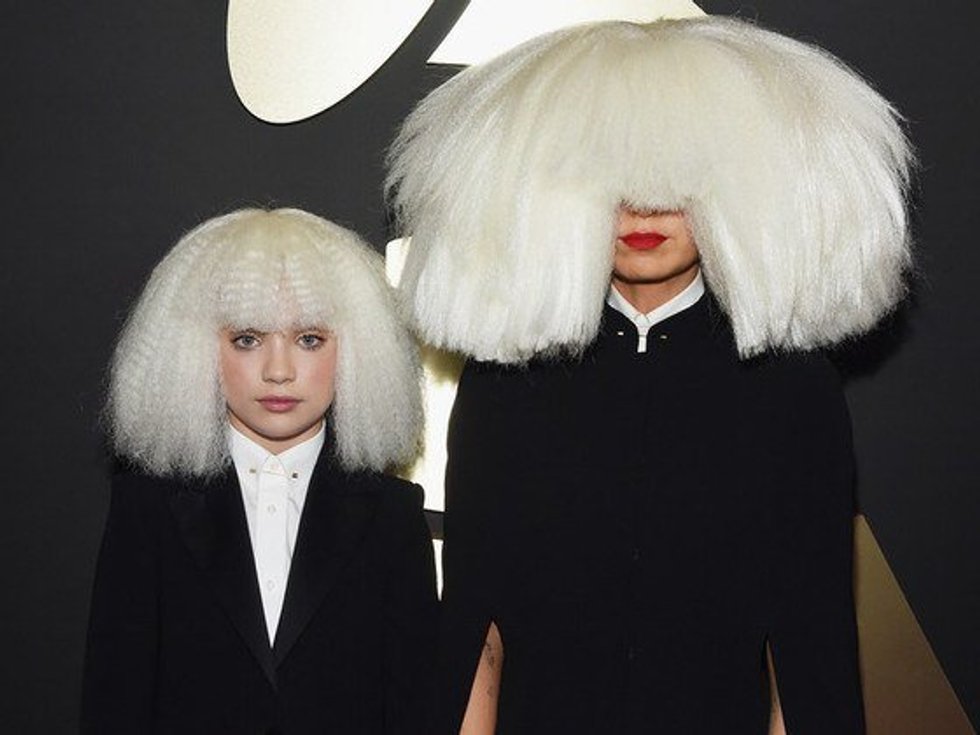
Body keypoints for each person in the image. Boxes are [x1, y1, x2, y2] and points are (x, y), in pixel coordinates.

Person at [386, 16, 913, 734]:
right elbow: (477, 637)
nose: (645, 207)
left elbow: (809, 651)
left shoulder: (792, 390)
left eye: (676, 178)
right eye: (615, 179)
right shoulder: (507, 382)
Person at [82, 208, 438, 734]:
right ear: (197, 348)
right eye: (247, 339)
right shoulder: (147, 509)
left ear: (357, 349)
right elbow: (115, 700)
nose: (279, 371)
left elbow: (414, 709)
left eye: (309, 339)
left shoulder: (393, 516)